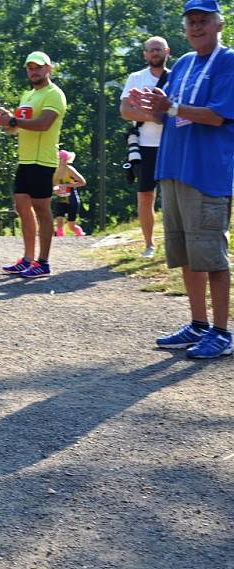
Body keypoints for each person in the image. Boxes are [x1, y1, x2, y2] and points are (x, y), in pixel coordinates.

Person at [128, 0, 233, 359]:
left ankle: (221, 332)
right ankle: (198, 325)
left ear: (219, 25)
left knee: (212, 256)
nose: (196, 27)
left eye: (203, 21)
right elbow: (165, 111)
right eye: (191, 22)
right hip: (172, 168)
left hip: (205, 174)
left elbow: (219, 116)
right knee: (185, 254)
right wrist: (150, 106)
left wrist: (169, 108)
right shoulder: (184, 63)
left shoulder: (228, 61)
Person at [0, 51, 67, 278]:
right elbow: (17, 128)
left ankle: (43, 262)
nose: (34, 71)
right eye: (30, 68)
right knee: (21, 206)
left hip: (43, 160)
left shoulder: (54, 94)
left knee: (42, 210)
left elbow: (44, 124)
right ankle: (27, 259)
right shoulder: (27, 95)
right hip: (25, 159)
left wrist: (15, 121)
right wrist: (7, 123)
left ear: (49, 69)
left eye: (38, 67)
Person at [120, 36, 171, 258]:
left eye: (158, 49)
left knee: (173, 198)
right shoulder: (136, 78)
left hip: (172, 145)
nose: (154, 53)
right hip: (144, 146)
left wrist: (157, 115)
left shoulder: (176, 77)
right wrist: (155, 116)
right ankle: (149, 245)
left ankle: (173, 244)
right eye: (150, 50)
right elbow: (125, 111)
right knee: (145, 196)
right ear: (145, 54)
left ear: (167, 51)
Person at [52, 149, 86, 237]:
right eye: (57, 158)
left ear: (65, 160)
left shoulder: (70, 169)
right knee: (59, 222)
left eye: (60, 159)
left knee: (71, 226)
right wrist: (55, 189)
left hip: (72, 199)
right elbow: (52, 184)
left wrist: (66, 185)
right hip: (60, 199)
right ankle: (60, 240)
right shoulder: (54, 170)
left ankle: (80, 234)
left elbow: (82, 182)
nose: (59, 161)